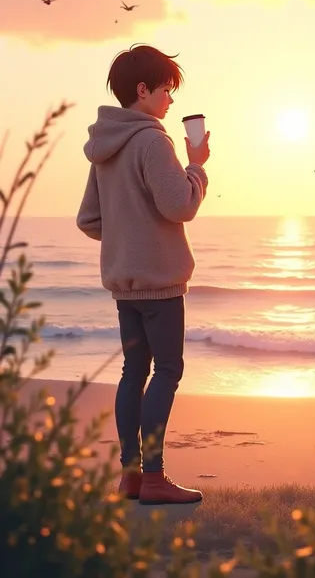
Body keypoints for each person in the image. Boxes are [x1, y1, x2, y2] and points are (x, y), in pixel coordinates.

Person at [76, 44, 210, 505]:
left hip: (123, 285)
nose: (170, 100)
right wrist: (197, 166)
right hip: (160, 283)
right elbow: (180, 206)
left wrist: (126, 242)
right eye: (167, 90)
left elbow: (90, 220)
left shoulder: (104, 146)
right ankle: (154, 478)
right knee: (167, 371)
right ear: (142, 90)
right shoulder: (154, 140)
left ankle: (130, 475)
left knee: (134, 370)